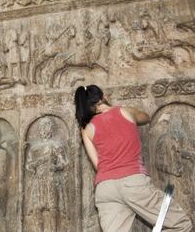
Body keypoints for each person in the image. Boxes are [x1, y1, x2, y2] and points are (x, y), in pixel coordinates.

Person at [74, 85, 192, 232]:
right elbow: (146, 117)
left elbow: (98, 165)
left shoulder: (86, 129)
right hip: (133, 183)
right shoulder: (125, 110)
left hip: (106, 189)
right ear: (103, 96)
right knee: (181, 224)